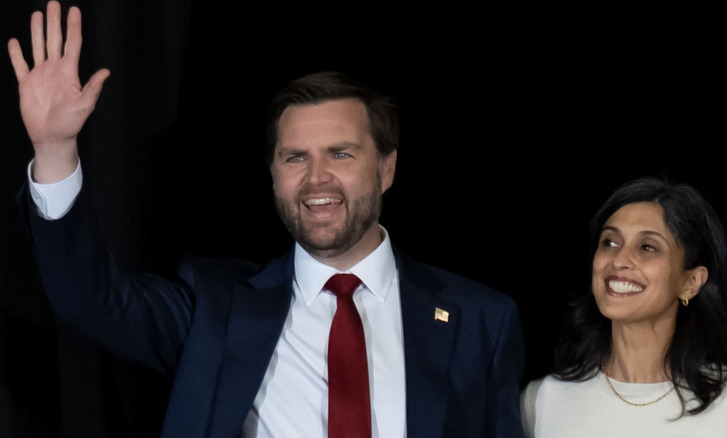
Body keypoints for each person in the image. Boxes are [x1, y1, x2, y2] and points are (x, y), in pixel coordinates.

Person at [8, 2, 525, 437]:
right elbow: (89, 298)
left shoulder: (481, 318)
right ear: (274, 175)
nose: (316, 179)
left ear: (386, 168)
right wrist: (54, 148)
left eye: (341, 154)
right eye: (295, 158)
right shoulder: (215, 307)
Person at [520, 176, 727, 437]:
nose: (620, 259)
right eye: (610, 242)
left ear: (690, 282)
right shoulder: (542, 399)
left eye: (647, 247)